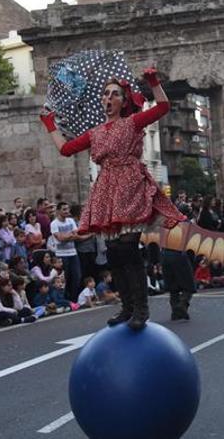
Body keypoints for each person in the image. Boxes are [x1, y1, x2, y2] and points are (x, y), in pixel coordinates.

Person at [40, 68, 186, 329]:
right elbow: (65, 149)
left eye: (114, 94)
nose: (108, 98)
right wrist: (50, 123)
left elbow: (163, 106)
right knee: (115, 252)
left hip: (130, 185)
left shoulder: (132, 123)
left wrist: (153, 82)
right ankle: (127, 307)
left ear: (123, 101)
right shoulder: (95, 132)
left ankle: (141, 309)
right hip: (107, 189)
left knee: (128, 248)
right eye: (105, 94)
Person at [50, 203, 84, 303]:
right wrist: (70, 235)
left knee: (77, 276)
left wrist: (66, 236)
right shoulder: (54, 224)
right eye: (64, 209)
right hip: (61, 255)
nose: (67, 211)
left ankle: (74, 299)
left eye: (67, 209)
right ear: (58, 211)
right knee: (65, 278)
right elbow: (60, 238)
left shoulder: (70, 220)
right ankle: (65, 300)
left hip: (73, 253)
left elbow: (76, 234)